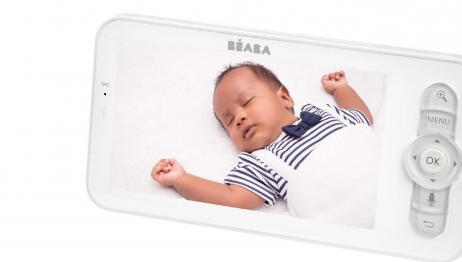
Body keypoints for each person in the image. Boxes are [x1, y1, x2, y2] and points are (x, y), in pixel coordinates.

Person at [150, 62, 380, 226]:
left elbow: (361, 116)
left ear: (284, 98)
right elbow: (232, 199)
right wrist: (180, 179)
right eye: (229, 121)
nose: (239, 118)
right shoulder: (262, 162)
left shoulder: (323, 112)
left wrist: (342, 89)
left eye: (247, 102)